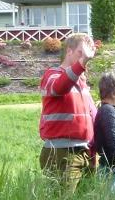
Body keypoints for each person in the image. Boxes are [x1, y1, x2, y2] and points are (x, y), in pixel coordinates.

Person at [39, 32, 97, 188]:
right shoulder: (52, 75)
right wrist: (82, 63)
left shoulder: (82, 82)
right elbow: (60, 87)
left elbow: (91, 117)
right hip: (62, 152)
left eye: (88, 53)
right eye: (81, 52)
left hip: (84, 151)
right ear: (69, 51)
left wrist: (93, 150)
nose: (85, 56)